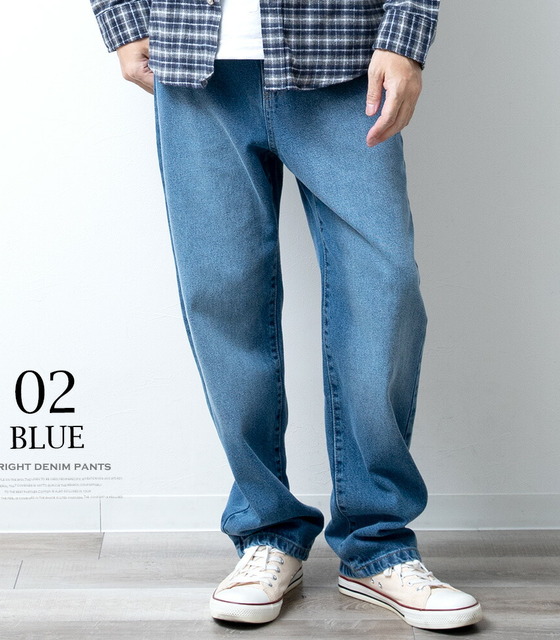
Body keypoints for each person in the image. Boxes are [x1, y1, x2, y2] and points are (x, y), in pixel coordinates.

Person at [90, 0, 483, 630]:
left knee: (384, 284)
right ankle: (265, 531)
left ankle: (376, 543)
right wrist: (124, 19)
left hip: (346, 55)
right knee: (224, 297)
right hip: (194, 60)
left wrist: (406, 33)